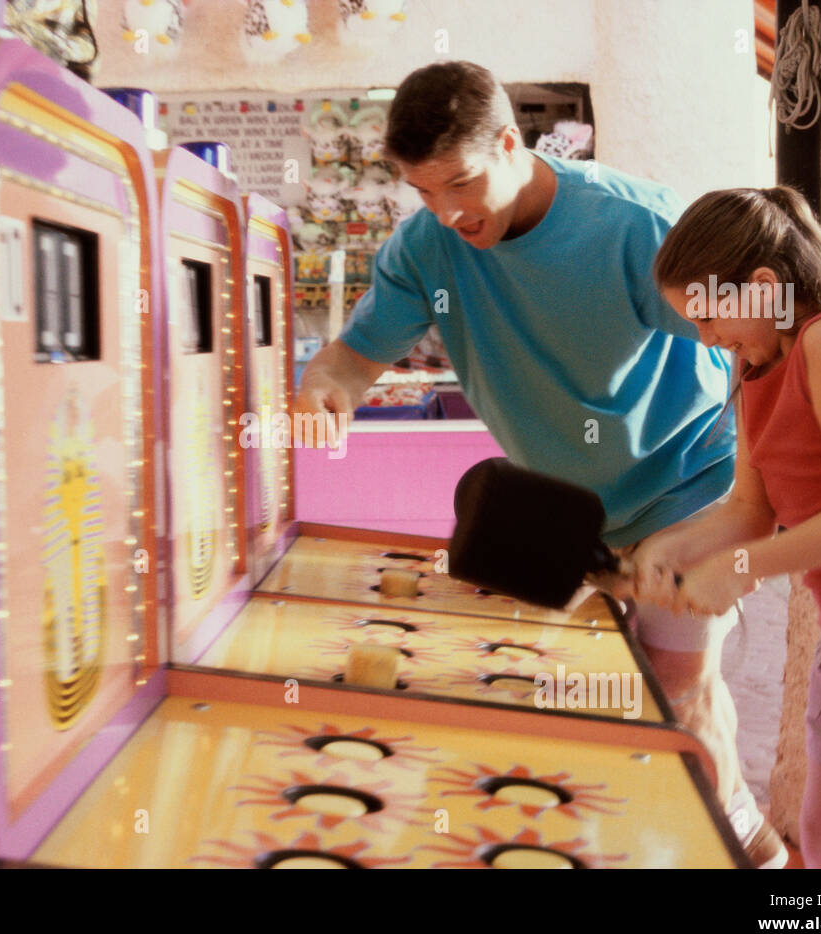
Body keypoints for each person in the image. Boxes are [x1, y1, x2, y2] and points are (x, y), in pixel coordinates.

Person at [292, 60, 786, 867]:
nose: (448, 212)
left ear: (510, 143)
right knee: (592, 696)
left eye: (461, 182)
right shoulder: (427, 248)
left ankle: (729, 859)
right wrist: (324, 396)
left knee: (671, 687)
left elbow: (764, 345)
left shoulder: (635, 224)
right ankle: (745, 840)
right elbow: (350, 360)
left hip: (689, 491)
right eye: (424, 192)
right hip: (567, 514)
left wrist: (758, 511)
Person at [635, 185, 821, 868]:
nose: (709, 341)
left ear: (765, 285)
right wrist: (667, 550)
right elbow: (749, 510)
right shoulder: (752, 366)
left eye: (711, 320)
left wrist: (738, 569)